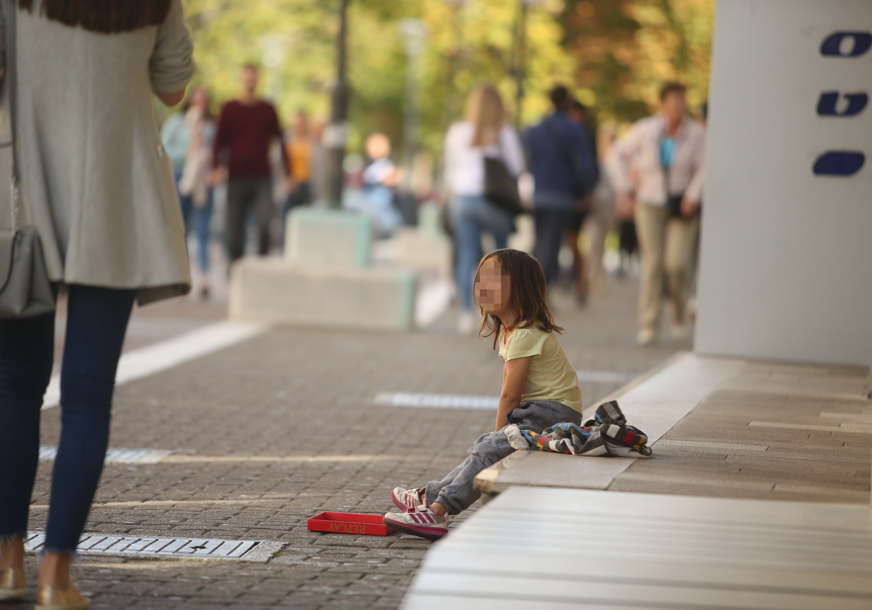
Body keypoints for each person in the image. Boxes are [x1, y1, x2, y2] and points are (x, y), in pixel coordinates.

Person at [0, 1, 193, 608]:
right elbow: (172, 86)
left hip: (23, 205)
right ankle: (57, 579)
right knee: (88, 399)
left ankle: (7, 565)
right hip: (116, 202)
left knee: (11, 390)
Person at [383, 249, 583, 539]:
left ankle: (438, 512)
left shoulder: (526, 334)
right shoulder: (511, 332)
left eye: (493, 279)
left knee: (488, 447)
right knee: (484, 446)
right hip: (542, 410)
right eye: (481, 279)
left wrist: (499, 433)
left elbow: (510, 396)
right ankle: (430, 496)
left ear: (520, 288)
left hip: (553, 413)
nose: (481, 286)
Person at [609, 81, 705, 345]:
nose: (679, 106)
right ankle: (648, 324)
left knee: (676, 264)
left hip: (681, 206)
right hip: (650, 202)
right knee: (652, 263)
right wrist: (626, 187)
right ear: (662, 104)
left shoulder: (696, 134)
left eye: (682, 101)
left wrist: (692, 196)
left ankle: (677, 313)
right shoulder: (645, 130)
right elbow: (616, 154)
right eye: (674, 101)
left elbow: (703, 167)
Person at [444, 84, 524, 335]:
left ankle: (468, 314)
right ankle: (501, 312)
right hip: (492, 203)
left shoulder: (457, 132)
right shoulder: (504, 134)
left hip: (462, 201)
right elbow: (517, 169)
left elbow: (450, 169)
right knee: (501, 256)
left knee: (467, 254)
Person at [211, 63, 290, 263]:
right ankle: (235, 268)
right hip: (236, 176)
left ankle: (261, 266)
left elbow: (280, 141)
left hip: (262, 176)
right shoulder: (229, 108)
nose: (250, 81)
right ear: (241, 79)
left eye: (253, 77)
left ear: (257, 80)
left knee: (265, 224)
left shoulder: (267, 109)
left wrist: (288, 173)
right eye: (246, 77)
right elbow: (219, 142)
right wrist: (216, 168)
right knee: (235, 229)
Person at [524, 85, 597, 286]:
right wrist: (586, 191)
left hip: (540, 194)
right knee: (551, 245)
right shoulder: (574, 130)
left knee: (541, 242)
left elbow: (527, 161)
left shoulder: (535, 129)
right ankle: (536, 290)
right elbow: (583, 165)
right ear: (567, 101)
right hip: (561, 196)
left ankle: (533, 286)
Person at [173, 86, 216, 299]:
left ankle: (204, 276)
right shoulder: (178, 123)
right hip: (181, 177)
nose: (200, 105)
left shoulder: (211, 126)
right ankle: (180, 274)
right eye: (196, 100)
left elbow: (219, 151)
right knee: (180, 227)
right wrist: (186, 152)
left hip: (204, 181)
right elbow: (164, 147)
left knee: (202, 229)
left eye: (203, 100)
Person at [281, 109, 314, 247]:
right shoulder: (287, 140)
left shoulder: (311, 141)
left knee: (307, 220)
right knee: (287, 219)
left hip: (306, 182)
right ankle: (286, 247)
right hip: (291, 183)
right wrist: (288, 179)